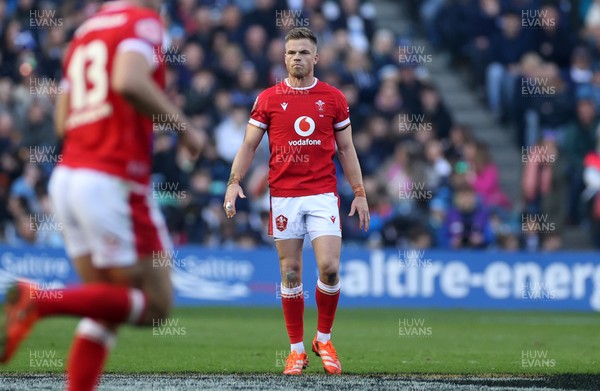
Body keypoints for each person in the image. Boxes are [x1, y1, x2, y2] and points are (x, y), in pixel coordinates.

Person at [0, 1, 203, 390]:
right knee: (158, 307)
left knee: (107, 303)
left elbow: (62, 118)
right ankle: (39, 300)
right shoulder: (143, 22)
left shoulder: (87, 30)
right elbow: (129, 81)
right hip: (113, 181)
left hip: (69, 177)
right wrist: (185, 127)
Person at [223, 27, 369, 375]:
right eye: (291, 53)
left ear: (316, 57)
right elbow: (248, 146)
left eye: (303, 52)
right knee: (290, 272)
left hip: (322, 194)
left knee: (330, 267)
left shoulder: (333, 98)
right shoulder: (269, 98)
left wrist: (360, 193)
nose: (297, 58)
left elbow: (346, 149)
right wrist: (233, 183)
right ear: (284, 57)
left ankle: (324, 338)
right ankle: (296, 350)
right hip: (285, 195)